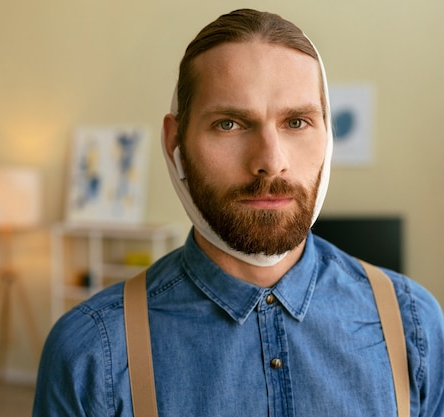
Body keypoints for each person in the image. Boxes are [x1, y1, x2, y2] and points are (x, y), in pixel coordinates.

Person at [33, 9, 444, 416]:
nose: (270, 161)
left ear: (327, 136)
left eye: (297, 122)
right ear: (176, 142)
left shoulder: (414, 323)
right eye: (229, 124)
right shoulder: (91, 352)